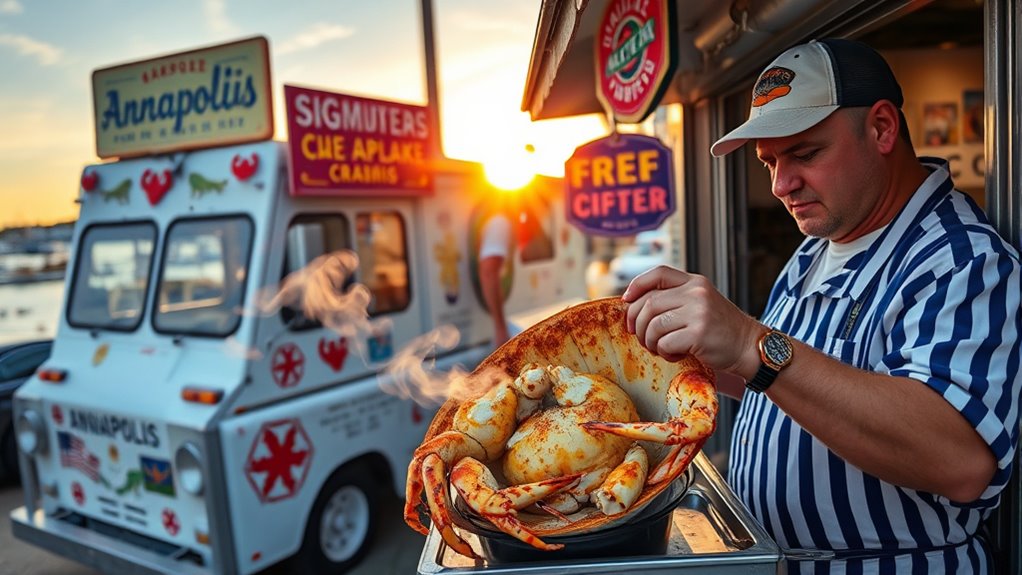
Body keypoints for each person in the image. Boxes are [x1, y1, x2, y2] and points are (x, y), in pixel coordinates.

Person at [623, 38, 1021, 573]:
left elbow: (959, 457)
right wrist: (712, 359)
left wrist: (749, 343)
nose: (782, 184)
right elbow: (800, 380)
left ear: (882, 128)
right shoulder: (818, 245)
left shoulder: (961, 258)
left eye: (805, 154)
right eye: (769, 162)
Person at [477, 195, 515, 346]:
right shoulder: (501, 223)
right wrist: (501, 328)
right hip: (501, 331)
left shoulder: (495, 220)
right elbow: (489, 272)